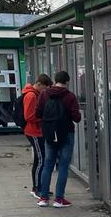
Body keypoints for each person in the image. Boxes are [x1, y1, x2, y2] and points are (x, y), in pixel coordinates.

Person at [35, 69, 81, 207]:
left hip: (49, 133)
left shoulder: (44, 94)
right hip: (66, 133)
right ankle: (59, 199)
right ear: (67, 81)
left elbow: (38, 113)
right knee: (63, 166)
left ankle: (43, 198)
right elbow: (76, 118)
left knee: (48, 164)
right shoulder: (70, 96)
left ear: (55, 80)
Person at [21, 73, 52, 199]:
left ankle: (41, 186)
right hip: (34, 131)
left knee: (40, 159)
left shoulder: (36, 94)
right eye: (44, 88)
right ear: (39, 84)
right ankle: (36, 187)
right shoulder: (31, 95)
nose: (45, 91)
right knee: (40, 160)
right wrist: (43, 116)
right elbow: (28, 116)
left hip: (37, 131)